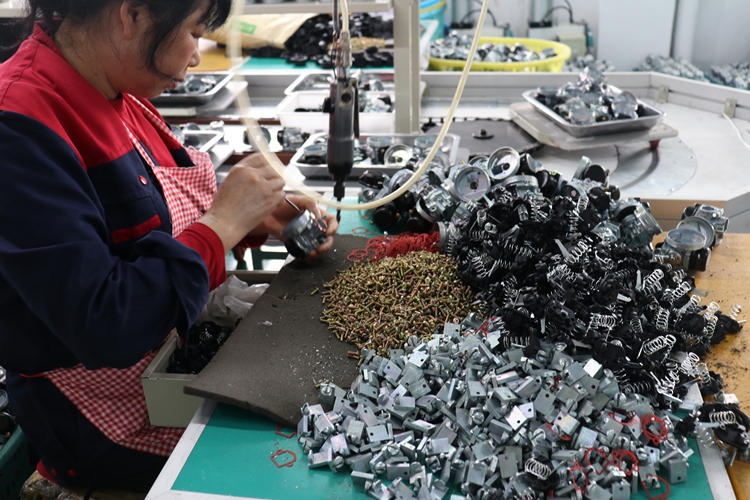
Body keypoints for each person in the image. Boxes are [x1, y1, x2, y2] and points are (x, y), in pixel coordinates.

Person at [0, 0, 338, 493]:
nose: (198, 56)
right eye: (195, 32)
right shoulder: (18, 126)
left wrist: (254, 217)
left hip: (164, 369)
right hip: (104, 423)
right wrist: (219, 227)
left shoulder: (116, 90)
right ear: (131, 15)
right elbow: (106, 321)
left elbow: (149, 224)